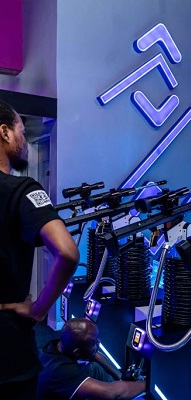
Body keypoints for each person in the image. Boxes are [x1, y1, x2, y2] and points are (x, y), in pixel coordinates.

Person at [0, 100, 80, 399]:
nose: (24, 140)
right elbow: (68, 253)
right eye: (21, 131)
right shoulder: (23, 190)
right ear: (5, 132)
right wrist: (38, 309)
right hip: (8, 353)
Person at [38, 318, 146, 399]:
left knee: (94, 367)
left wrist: (120, 376)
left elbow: (94, 354)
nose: (99, 342)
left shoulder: (57, 345)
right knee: (116, 393)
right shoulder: (61, 371)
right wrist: (146, 384)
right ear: (77, 352)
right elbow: (112, 393)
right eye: (95, 342)